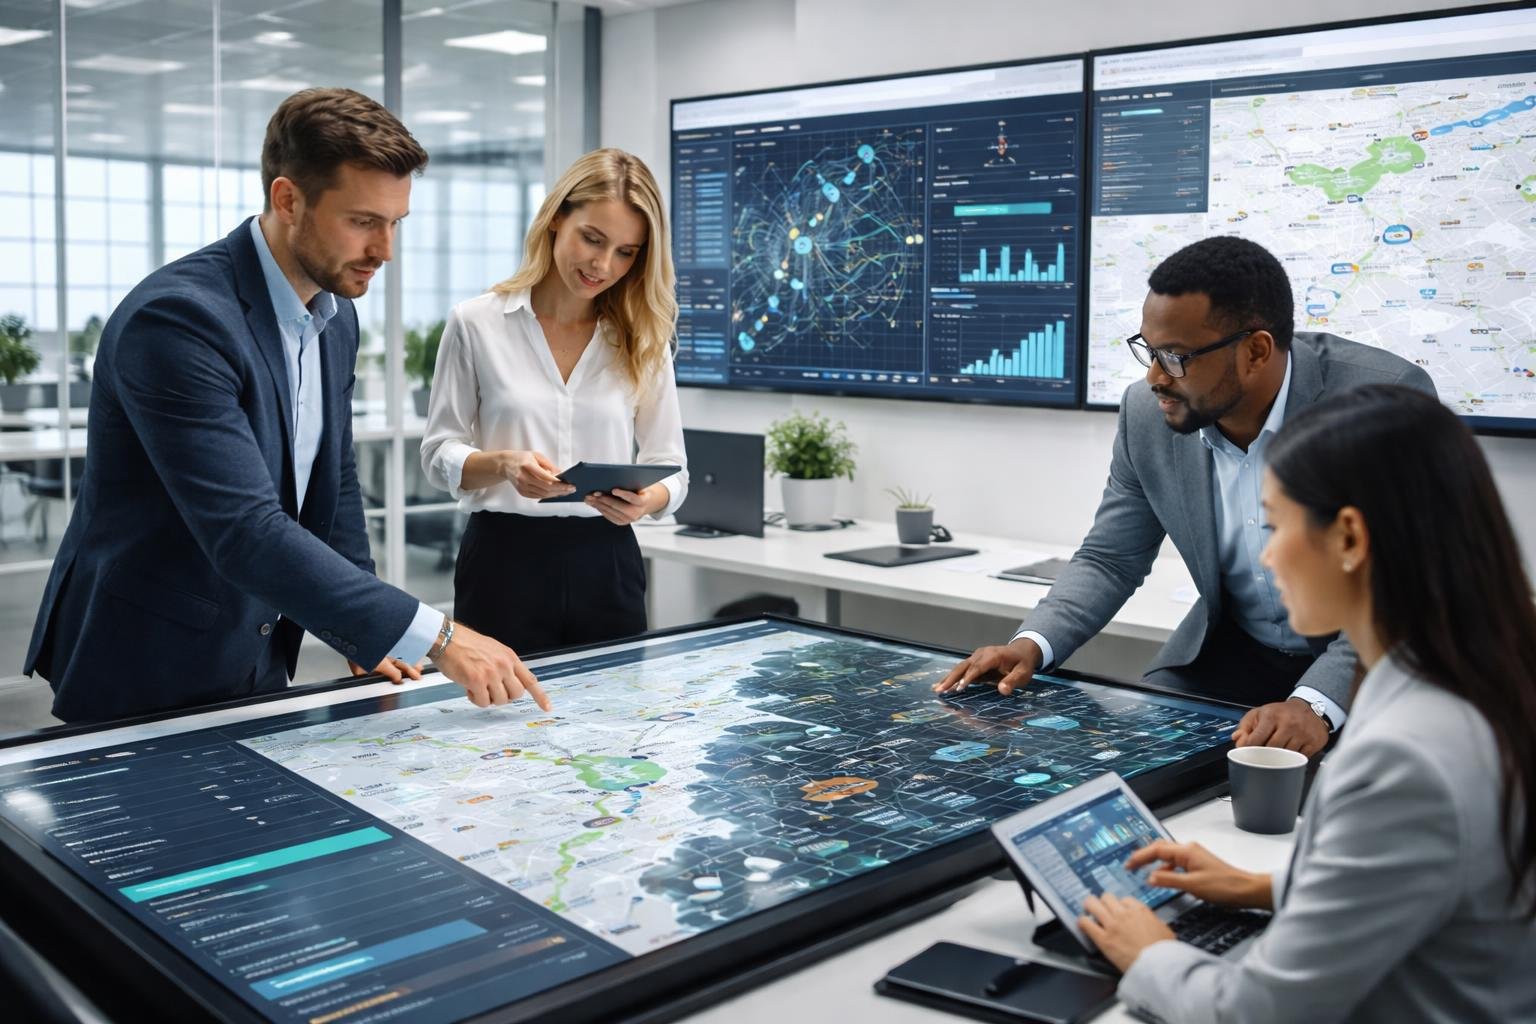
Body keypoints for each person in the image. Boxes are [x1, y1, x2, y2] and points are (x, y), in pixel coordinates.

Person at [25, 88, 548, 723]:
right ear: (288, 200)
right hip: (147, 657)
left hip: (258, 646)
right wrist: (434, 635)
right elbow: (244, 529)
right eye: (363, 222)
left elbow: (335, 480)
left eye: (396, 223)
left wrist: (365, 631)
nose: (384, 250)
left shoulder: (335, 315)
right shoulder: (178, 321)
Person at [1076, 384, 1536, 1022]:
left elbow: (1258, 1013)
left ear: (1348, 538)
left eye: (1274, 524)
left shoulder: (1405, 760)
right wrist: (1261, 887)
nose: (1266, 556)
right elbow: (1438, 880)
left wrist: (1149, 953)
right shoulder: (1480, 682)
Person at [937, 236, 1435, 756]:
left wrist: (1315, 703)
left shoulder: (1385, 401)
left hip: (1373, 658)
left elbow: (1405, 589)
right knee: (1130, 760)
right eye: (1149, 351)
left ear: (1256, 351)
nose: (1154, 377)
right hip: (1231, 652)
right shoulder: (1147, 413)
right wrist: (1030, 645)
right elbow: (1111, 557)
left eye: (1175, 357)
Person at [420, 148, 687, 656]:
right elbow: (437, 455)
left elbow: (672, 468)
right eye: (593, 239)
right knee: (501, 707)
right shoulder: (476, 323)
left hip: (608, 560)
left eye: (626, 252)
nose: (603, 265)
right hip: (502, 561)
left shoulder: (643, 338)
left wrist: (647, 500)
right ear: (557, 218)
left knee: (616, 706)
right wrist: (502, 464)